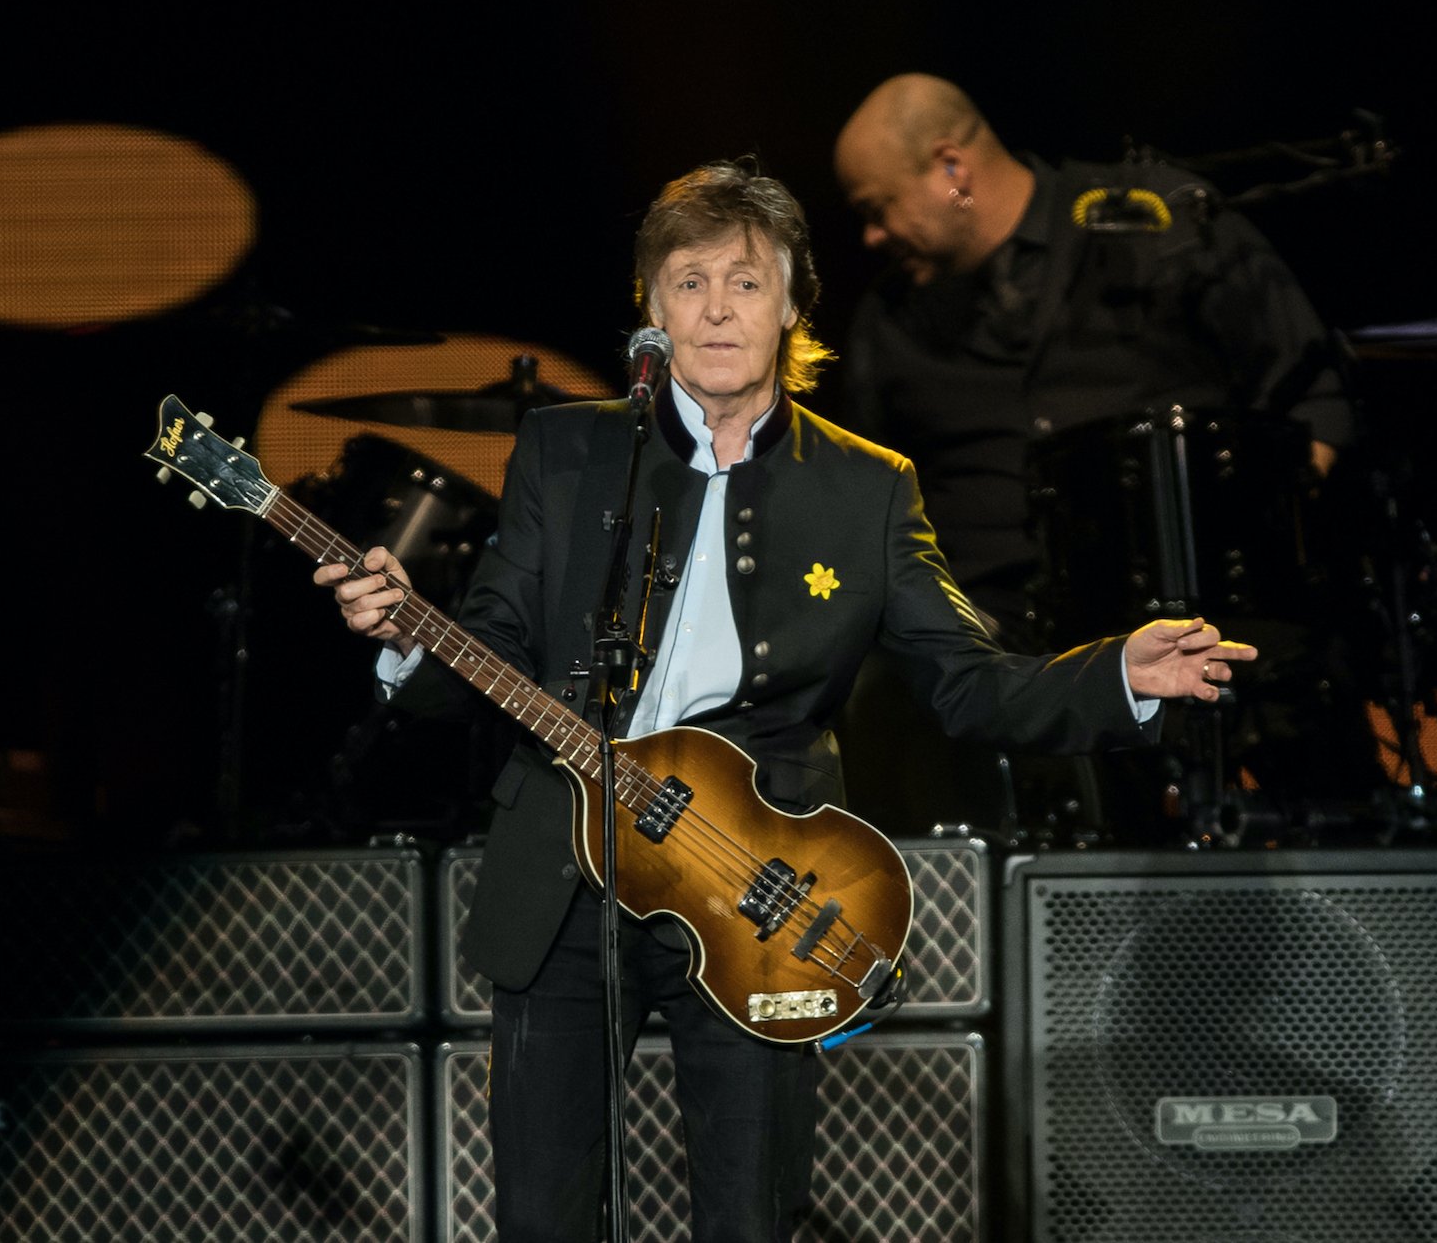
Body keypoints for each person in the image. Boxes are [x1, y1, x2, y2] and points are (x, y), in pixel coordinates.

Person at [314, 158, 1256, 1243]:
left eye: (744, 281)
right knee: (541, 1213)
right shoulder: (568, 452)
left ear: (793, 303)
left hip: (759, 887)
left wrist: (1116, 674)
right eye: (686, 281)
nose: (715, 307)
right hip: (563, 877)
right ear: (650, 311)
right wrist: (400, 640)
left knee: (753, 1211)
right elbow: (486, 655)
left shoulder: (866, 485)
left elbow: (966, 678)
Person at [830, 72, 1374, 843]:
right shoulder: (892, 322)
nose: (871, 239)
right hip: (1000, 645)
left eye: (874, 210)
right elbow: (866, 501)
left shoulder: (1155, 223)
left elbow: (1316, 398)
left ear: (951, 168)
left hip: (1207, 610)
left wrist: (1258, 534)